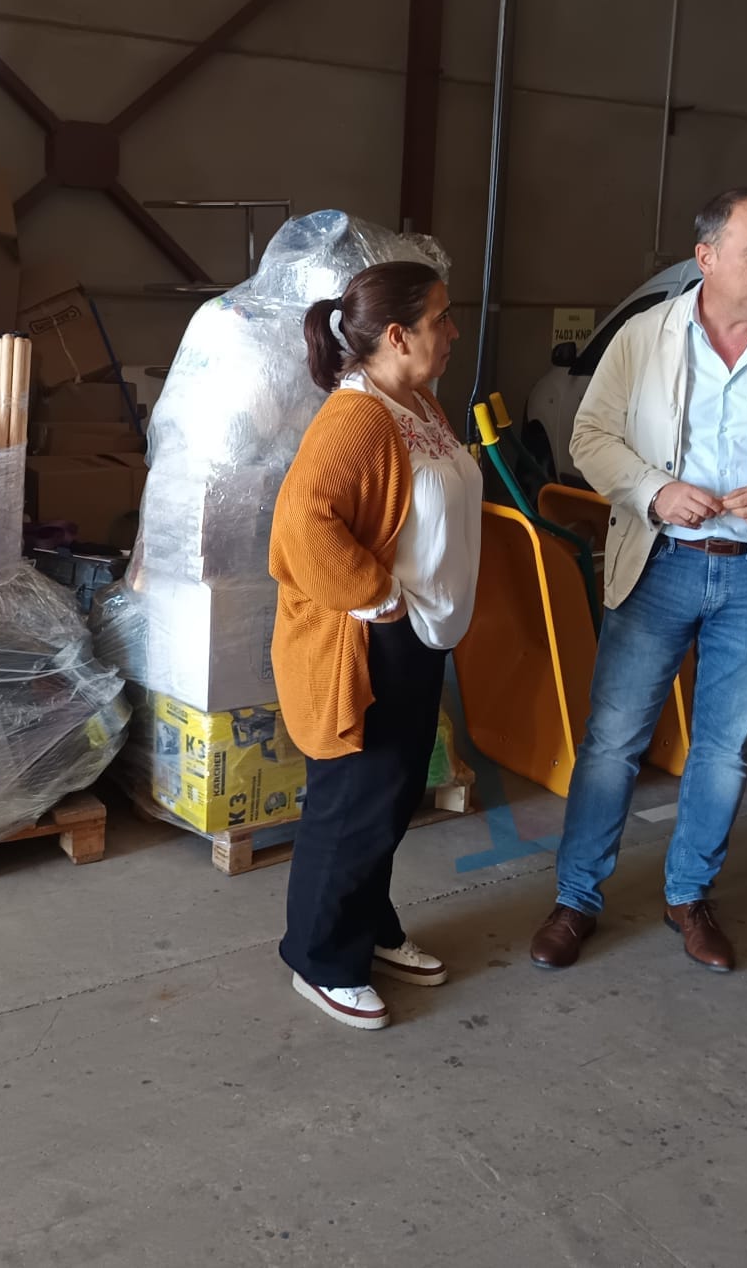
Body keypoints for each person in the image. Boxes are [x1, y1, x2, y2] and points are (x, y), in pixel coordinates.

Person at [529, 189, 747, 974]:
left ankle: (689, 895)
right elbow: (591, 436)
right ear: (707, 257)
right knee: (613, 742)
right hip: (659, 565)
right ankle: (577, 898)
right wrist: (654, 491)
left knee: (725, 748)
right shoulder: (645, 337)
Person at [268, 261, 481, 1031]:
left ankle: (370, 926)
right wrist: (379, 598)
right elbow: (300, 522)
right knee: (353, 804)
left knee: (389, 797)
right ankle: (320, 959)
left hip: (417, 638)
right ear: (397, 334)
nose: (452, 330)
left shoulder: (416, 401)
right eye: (440, 318)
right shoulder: (358, 418)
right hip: (369, 644)